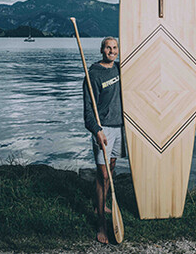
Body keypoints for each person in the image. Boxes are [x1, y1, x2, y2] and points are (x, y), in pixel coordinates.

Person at [83, 37, 124, 244]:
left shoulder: (120, 68)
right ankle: (101, 224)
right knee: (104, 175)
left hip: (120, 127)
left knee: (112, 167)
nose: (112, 51)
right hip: (104, 129)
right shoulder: (93, 74)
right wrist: (96, 130)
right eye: (108, 47)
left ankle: (101, 203)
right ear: (101, 50)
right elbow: (88, 110)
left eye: (115, 47)